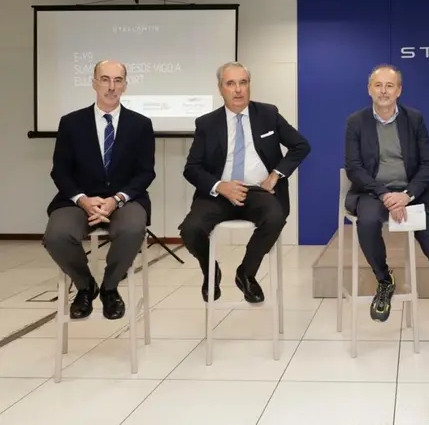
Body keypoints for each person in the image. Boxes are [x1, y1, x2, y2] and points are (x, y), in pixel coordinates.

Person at [344, 64, 429, 372]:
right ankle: (384, 279)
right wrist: (384, 194)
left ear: (399, 90)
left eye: (390, 86)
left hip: (412, 197)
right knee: (366, 222)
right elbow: (354, 167)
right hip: (373, 194)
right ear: (370, 89)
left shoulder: (414, 119)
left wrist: (406, 195)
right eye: (378, 85)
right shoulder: (356, 122)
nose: (384, 91)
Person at [180, 62, 310, 303]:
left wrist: (276, 174)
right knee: (190, 229)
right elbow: (191, 169)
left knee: (275, 217)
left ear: (249, 85)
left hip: (258, 190)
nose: (238, 90)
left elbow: (301, 145)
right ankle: (211, 270)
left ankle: (246, 273)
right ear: (221, 89)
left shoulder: (268, 114)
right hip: (219, 192)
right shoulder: (207, 123)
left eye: (243, 83)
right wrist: (220, 186)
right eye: (231, 84)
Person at [43, 60, 155, 320]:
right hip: (77, 200)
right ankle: (85, 285)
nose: (111, 86)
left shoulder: (140, 124)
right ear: (93, 83)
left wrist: (116, 199)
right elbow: (60, 171)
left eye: (117, 80)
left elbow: (145, 172)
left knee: (132, 229)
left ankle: (109, 287)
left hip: (125, 200)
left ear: (125, 85)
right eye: (105, 79)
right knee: (57, 235)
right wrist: (82, 200)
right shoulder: (71, 123)